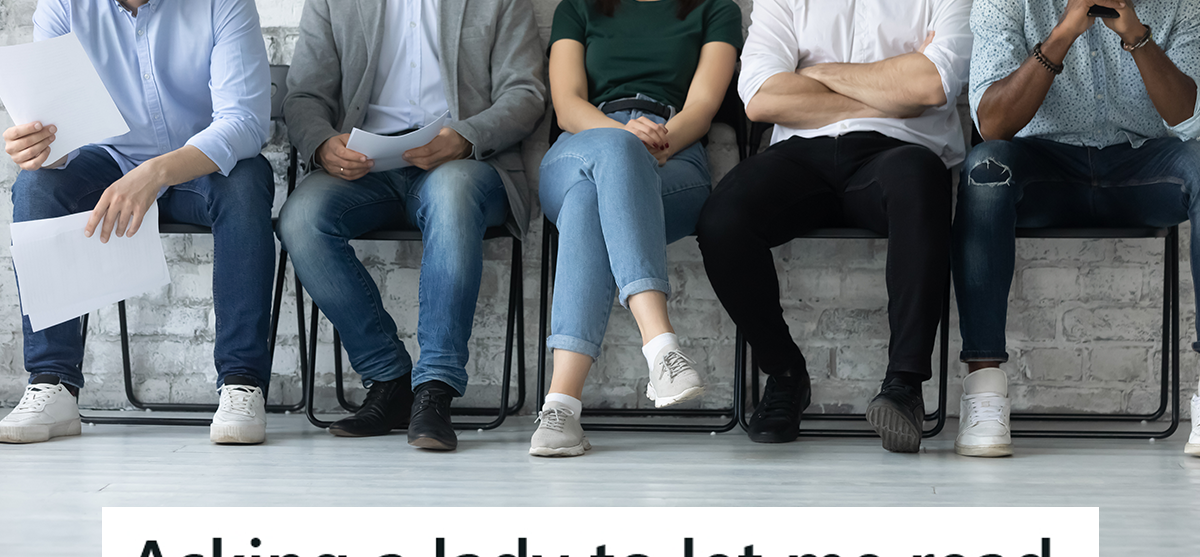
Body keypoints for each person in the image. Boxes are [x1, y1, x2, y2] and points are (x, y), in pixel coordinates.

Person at [695, 0, 972, 452]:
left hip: (900, 150)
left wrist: (817, 74)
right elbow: (761, 97)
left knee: (921, 185)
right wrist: (891, 90)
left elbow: (931, 84)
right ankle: (785, 373)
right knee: (722, 219)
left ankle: (903, 386)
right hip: (801, 152)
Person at [0, 0, 276, 445]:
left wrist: (156, 173)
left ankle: (242, 381)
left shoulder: (222, 4)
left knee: (246, 182)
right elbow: (58, 131)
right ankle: (52, 382)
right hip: (109, 161)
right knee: (36, 186)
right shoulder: (64, 6)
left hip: (201, 166)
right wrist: (40, 149)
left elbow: (244, 121)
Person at [278, 0, 546, 452]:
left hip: (465, 161)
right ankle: (389, 379)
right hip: (366, 166)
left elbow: (525, 92)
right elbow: (304, 95)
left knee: (451, 196)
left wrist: (466, 137)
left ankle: (435, 388)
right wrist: (322, 143)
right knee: (301, 219)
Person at [955, 0, 1200, 457]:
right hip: (1044, 167)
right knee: (986, 169)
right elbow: (993, 124)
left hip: (1141, 166)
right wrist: (1065, 32)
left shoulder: (1179, 4)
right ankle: (984, 392)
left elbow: (1188, 116)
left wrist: (1137, 36)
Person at [529, 0, 741, 457]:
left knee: (587, 203)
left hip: (673, 149)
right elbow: (567, 106)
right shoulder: (578, 7)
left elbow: (703, 107)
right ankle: (661, 347)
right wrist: (622, 140)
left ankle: (560, 408)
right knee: (611, 156)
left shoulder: (715, 8)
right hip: (583, 142)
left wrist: (657, 143)